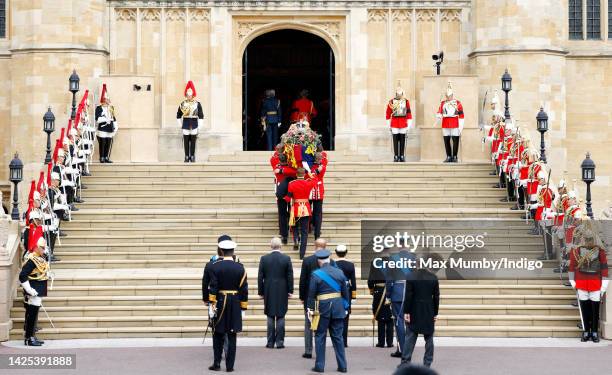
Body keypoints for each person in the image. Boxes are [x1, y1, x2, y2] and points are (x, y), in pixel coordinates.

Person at [207, 238, 248, 372]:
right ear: (233, 251)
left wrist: (211, 306)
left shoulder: (214, 266)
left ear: (221, 251)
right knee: (232, 335)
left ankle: (217, 363)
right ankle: (230, 366)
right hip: (235, 303)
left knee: (218, 334)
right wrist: (243, 308)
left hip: (219, 302)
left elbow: (213, 287)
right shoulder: (240, 268)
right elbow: (244, 289)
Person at [307, 249, 349, 373]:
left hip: (322, 309)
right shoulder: (340, 272)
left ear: (319, 261)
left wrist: (309, 309)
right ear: (329, 260)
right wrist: (345, 308)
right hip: (338, 308)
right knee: (338, 338)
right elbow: (345, 293)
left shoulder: (316, 274)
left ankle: (320, 366)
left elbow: (311, 294)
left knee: (320, 336)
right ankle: (343, 366)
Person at [569, 222, 609, 342]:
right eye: (586, 239)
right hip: (581, 283)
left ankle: (594, 332)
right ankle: (586, 331)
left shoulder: (600, 251)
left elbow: (604, 269)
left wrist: (603, 286)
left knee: (595, 310)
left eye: (590, 239)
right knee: (584, 310)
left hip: (595, 284)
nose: (588, 241)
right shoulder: (576, 251)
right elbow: (572, 267)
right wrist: (573, 282)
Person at [401, 257, 440, 368]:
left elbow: (408, 296)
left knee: (410, 338)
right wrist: (435, 313)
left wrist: (406, 311)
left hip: (414, 309)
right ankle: (427, 363)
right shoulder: (433, 277)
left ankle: (405, 362)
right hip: (428, 310)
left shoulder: (411, 277)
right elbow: (436, 297)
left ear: (417, 265)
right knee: (429, 339)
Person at [258, 237, 294, 349]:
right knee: (281, 315)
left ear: (270, 246)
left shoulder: (264, 258)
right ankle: (280, 342)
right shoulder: (286, 258)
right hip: (282, 289)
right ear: (281, 246)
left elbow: (260, 277)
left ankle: (270, 342)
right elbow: (290, 276)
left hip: (268, 288)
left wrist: (261, 291)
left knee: (269, 315)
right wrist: (290, 290)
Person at [299, 238, 328, 359]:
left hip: (310, 298)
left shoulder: (307, 260)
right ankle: (320, 350)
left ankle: (308, 351)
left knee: (308, 325)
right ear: (325, 247)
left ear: (315, 246)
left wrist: (302, 296)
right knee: (322, 325)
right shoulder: (329, 261)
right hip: (325, 297)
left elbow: (303, 280)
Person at [19, 237, 49, 346]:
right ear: (36, 247)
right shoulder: (32, 260)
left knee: (34, 314)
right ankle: (29, 338)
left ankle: (32, 336)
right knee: (31, 315)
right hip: (34, 289)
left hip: (38, 289)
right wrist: (29, 290)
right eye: (41, 247)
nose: (43, 249)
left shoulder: (40, 258)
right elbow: (22, 275)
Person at [285, 168, 318, 259]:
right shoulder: (308, 183)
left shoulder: (291, 184)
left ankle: (296, 238)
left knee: (294, 226)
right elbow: (315, 180)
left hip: (295, 207)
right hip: (306, 209)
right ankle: (302, 254)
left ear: (296, 174)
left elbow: (288, 197)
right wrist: (311, 175)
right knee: (304, 232)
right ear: (304, 174)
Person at [367, 247, 394, 348]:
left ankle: (381, 342)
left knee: (380, 316)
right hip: (391, 291)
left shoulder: (375, 262)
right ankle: (390, 342)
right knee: (390, 316)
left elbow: (370, 279)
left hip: (378, 291)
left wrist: (372, 290)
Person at [436, 81, 464, 163]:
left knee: (455, 140)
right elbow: (439, 112)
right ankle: (448, 156)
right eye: (447, 96)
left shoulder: (458, 103)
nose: (449, 97)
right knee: (446, 140)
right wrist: (438, 115)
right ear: (445, 96)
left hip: (455, 123)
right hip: (445, 123)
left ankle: (454, 156)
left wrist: (461, 126)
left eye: (450, 96)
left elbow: (461, 115)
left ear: (452, 95)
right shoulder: (442, 103)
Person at [272, 153, 297, 244]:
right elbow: (293, 172)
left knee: (286, 214)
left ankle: (285, 234)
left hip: (288, 193)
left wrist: (282, 170)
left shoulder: (281, 168)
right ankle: (286, 234)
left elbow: (293, 172)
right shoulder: (286, 167)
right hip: (284, 193)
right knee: (285, 214)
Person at [334, 244, 356, 347]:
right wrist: (354, 296)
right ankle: (344, 341)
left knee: (336, 318)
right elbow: (354, 282)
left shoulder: (333, 264)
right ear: (346, 252)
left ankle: (337, 340)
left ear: (336, 252)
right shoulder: (350, 265)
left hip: (335, 292)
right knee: (346, 317)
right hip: (347, 293)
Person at [176, 80, 204, 162]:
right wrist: (180, 125)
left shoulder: (197, 104)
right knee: (186, 141)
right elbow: (178, 115)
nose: (189, 96)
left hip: (194, 123)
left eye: (190, 95)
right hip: (185, 123)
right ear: (186, 95)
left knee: (193, 142)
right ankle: (186, 156)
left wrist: (199, 126)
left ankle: (192, 156)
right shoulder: (182, 104)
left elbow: (201, 116)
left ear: (193, 95)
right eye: (188, 95)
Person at [385, 84, 413, 162]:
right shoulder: (391, 102)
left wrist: (409, 124)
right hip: (394, 123)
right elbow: (388, 113)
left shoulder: (406, 101)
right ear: (396, 94)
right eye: (398, 94)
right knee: (395, 140)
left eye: (400, 94)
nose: (399, 95)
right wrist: (388, 124)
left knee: (402, 139)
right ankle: (396, 156)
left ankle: (401, 155)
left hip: (403, 123)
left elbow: (409, 113)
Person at [94, 83, 118, 163]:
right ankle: (102, 157)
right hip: (102, 128)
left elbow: (113, 117)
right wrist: (105, 119)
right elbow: (97, 119)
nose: (108, 101)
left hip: (110, 128)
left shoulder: (111, 108)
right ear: (104, 100)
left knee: (108, 142)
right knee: (102, 143)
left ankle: (106, 157)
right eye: (107, 99)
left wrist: (115, 126)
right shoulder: (98, 108)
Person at [310, 152, 327, 240]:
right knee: (318, 213)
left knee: (312, 211)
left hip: (310, 189)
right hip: (317, 189)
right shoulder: (321, 166)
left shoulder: (311, 167)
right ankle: (317, 233)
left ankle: (312, 228)